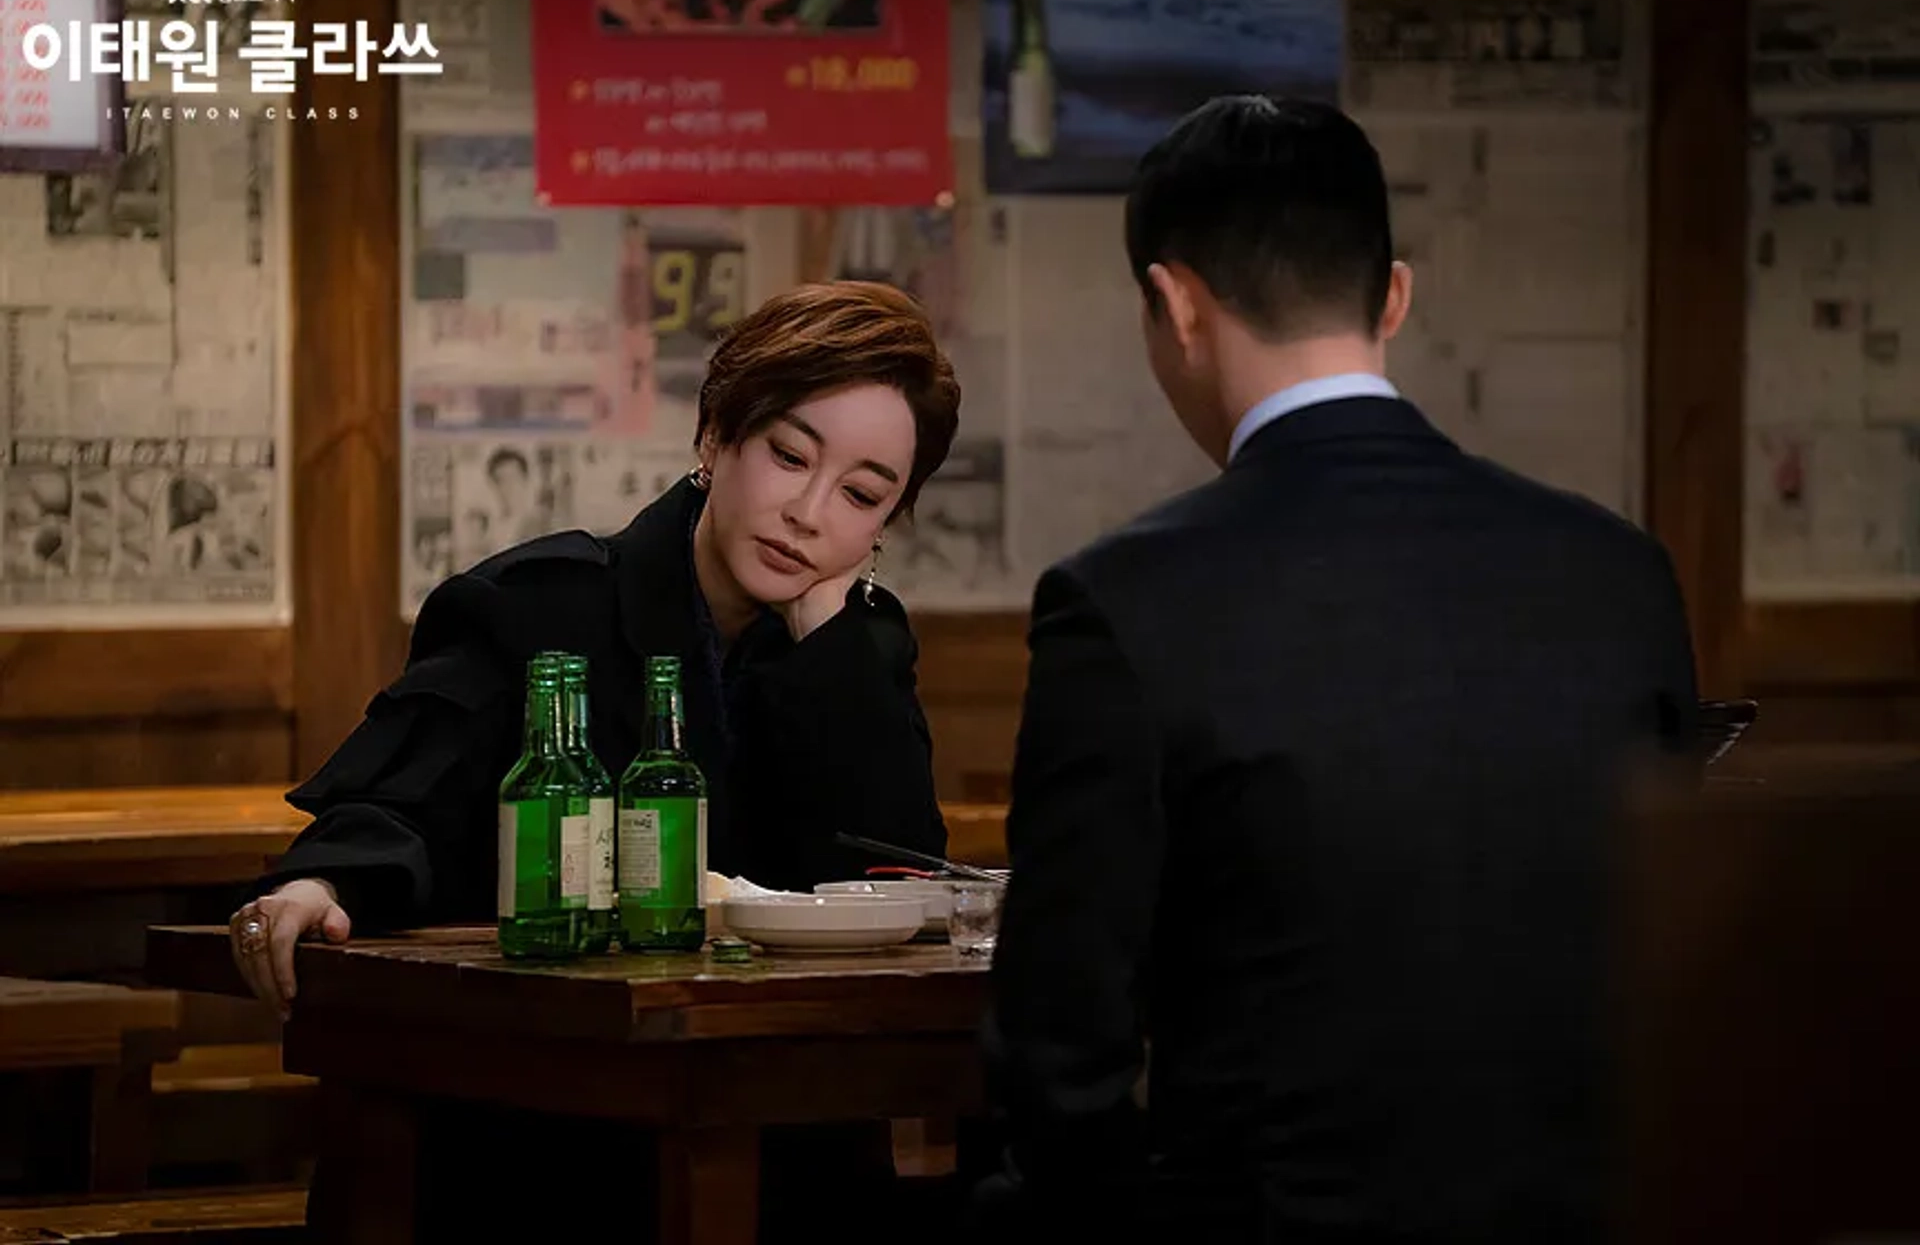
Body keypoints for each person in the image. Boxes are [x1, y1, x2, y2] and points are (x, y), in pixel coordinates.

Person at [978, 97, 1701, 1243]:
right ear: (1393, 296)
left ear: (1175, 304)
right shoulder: (1621, 573)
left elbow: (1062, 1042)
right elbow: (1671, 958)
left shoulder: (1124, 602)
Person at [229, 280, 960, 1239]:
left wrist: (830, 659)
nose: (810, 513)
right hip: (547, 1120)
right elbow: (401, 801)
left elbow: (900, 872)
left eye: (861, 495)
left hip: (787, 1120)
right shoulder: (536, 605)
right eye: (789, 457)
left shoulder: (863, 647)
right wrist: (324, 880)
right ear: (715, 438)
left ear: (884, 525)